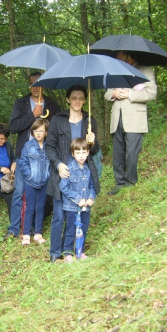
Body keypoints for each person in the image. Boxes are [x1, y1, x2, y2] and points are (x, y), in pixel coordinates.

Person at [46, 84, 101, 263]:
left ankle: (73, 250)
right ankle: (55, 252)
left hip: (83, 175)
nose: (77, 101)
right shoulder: (57, 120)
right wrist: (59, 164)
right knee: (60, 215)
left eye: (81, 98)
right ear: (68, 99)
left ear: (85, 101)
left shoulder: (89, 121)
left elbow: (93, 151)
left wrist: (93, 142)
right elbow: (50, 146)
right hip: (63, 173)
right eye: (74, 98)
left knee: (80, 214)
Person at [5, 72, 61, 239]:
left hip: (45, 156)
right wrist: (32, 115)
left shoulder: (52, 104)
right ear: (29, 86)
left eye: (39, 83)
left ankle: (36, 229)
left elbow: (56, 128)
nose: (36, 87)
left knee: (44, 192)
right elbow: (13, 127)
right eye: (32, 84)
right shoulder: (21, 103)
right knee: (19, 192)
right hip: (24, 155)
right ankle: (15, 229)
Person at [105, 50, 157, 195]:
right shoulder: (116, 71)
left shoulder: (145, 70)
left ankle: (131, 181)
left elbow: (151, 93)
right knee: (118, 153)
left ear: (129, 56)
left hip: (135, 118)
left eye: (121, 58)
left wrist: (130, 94)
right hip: (117, 118)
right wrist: (113, 94)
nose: (119, 61)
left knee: (131, 152)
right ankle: (119, 183)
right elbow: (107, 93)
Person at [59, 139, 97, 262]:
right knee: (70, 229)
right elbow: (64, 187)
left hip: (86, 207)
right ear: (73, 154)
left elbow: (92, 185)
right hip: (72, 207)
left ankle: (79, 251)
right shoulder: (69, 169)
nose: (81, 155)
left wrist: (91, 198)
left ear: (87, 153)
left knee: (84, 228)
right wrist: (78, 199)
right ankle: (67, 253)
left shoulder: (88, 169)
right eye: (78, 152)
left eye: (83, 152)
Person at [19, 119, 50, 246]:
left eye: (41, 131)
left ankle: (38, 232)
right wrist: (29, 175)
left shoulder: (49, 147)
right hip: (31, 182)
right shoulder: (28, 146)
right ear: (32, 132)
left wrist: (48, 175)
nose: (38, 133)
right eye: (36, 131)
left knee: (40, 207)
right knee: (29, 207)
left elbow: (52, 163)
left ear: (46, 132)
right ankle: (26, 233)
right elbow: (23, 162)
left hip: (44, 182)